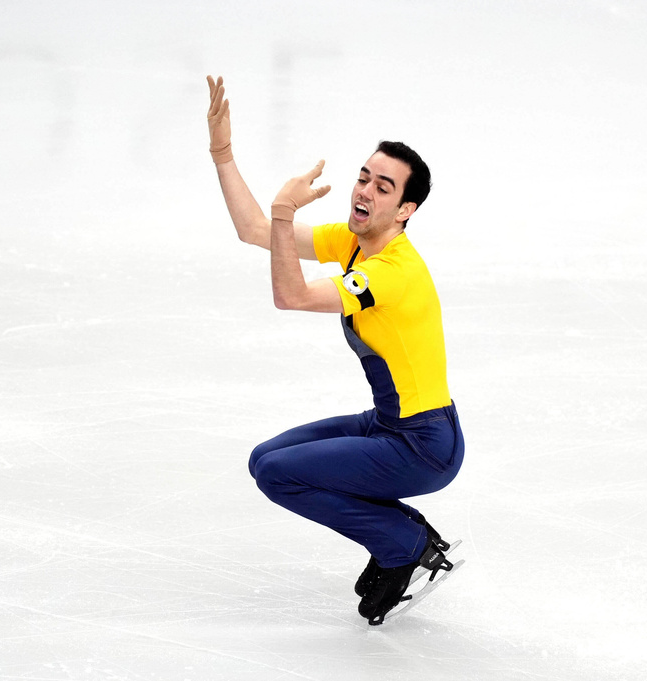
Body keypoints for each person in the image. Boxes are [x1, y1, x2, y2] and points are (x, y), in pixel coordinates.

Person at [206, 75, 464, 624]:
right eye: (363, 177)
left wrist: (284, 211)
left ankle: (404, 543)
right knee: (265, 461)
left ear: (406, 210)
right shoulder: (354, 242)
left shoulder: (392, 271)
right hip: (389, 425)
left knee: (281, 475)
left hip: (422, 444)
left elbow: (292, 296)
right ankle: (400, 535)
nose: (364, 191)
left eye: (383, 188)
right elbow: (255, 230)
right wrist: (222, 153)